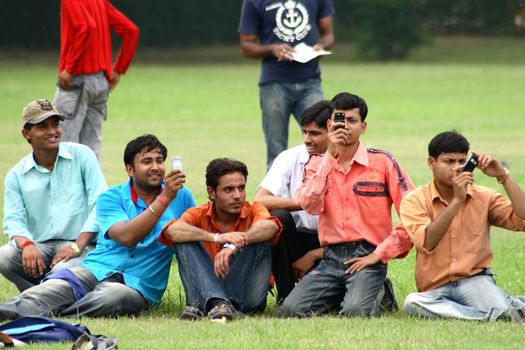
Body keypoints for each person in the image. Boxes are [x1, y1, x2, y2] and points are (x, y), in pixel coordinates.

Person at [0, 134, 196, 319]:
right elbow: (127, 237)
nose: (155, 167)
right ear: (130, 169)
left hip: (139, 285)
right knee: (51, 288)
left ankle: (60, 314)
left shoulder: (181, 196)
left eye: (159, 161)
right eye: (147, 161)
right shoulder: (111, 198)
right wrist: (165, 198)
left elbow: (200, 228)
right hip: (96, 269)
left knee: (113, 296)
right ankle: (8, 311)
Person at [280, 92, 414, 318]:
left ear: (363, 126)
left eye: (352, 121)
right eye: (340, 121)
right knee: (290, 311)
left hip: (368, 254)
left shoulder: (382, 162)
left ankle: (380, 290)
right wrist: (329, 157)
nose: (346, 127)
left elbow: (413, 215)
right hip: (330, 257)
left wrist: (381, 254)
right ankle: (354, 291)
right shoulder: (315, 164)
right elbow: (309, 204)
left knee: (355, 312)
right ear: (330, 124)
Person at [401, 131, 525, 321]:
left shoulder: (484, 196)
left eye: (462, 161)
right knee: (412, 303)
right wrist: (457, 201)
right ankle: (498, 312)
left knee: (499, 308)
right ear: (431, 163)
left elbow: (522, 219)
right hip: (434, 289)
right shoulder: (415, 200)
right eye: (449, 162)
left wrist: (504, 176)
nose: (457, 168)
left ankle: (498, 309)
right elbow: (427, 242)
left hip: (474, 281)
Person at [0, 99, 107, 292]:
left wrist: (77, 245)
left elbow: (100, 204)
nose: (52, 131)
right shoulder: (16, 174)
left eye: (55, 124)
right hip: (40, 245)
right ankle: (48, 294)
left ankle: (44, 297)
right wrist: (27, 245)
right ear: (27, 133)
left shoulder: (83, 156)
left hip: (80, 244)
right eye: (42, 126)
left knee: (62, 269)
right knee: (4, 257)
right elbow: (13, 219)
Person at [159, 158, 282, 321]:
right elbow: (173, 231)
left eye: (241, 188)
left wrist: (233, 245)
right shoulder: (198, 213)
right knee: (183, 237)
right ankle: (219, 303)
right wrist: (216, 238)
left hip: (247, 299)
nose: (237, 196)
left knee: (260, 234)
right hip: (205, 288)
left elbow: (271, 227)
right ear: (212, 193)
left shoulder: (254, 209)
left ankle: (215, 304)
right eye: (229, 190)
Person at [238, 0, 335, 169]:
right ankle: (275, 194)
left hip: (310, 80)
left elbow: (328, 35)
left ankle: (322, 188)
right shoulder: (254, 2)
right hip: (274, 82)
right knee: (276, 150)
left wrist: (321, 47)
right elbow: (246, 46)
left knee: (322, 142)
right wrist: (272, 49)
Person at [255, 100, 330, 303]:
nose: (307, 139)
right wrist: (306, 202)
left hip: (331, 243)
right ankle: (285, 296)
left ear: (332, 131)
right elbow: (261, 200)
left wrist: (315, 254)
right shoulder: (289, 157)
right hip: (292, 239)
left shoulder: (344, 160)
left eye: (315, 133)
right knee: (278, 217)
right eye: (304, 132)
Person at [54, 0, 139, 159]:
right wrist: (119, 69)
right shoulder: (98, 2)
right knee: (92, 150)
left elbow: (85, 26)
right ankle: (95, 184)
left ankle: (66, 185)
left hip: (76, 82)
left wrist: (69, 68)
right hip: (101, 82)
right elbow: (131, 31)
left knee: (64, 147)